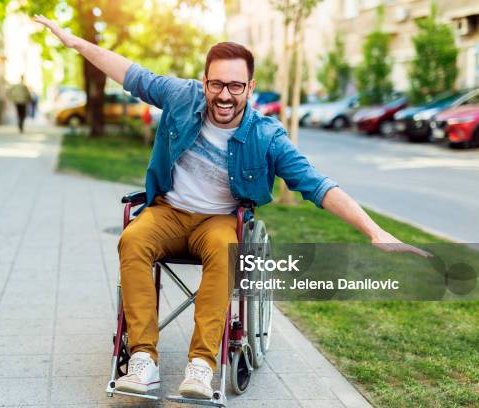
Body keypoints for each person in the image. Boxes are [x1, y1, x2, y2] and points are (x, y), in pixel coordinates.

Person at [34, 15, 427, 400]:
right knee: (133, 238)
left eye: (235, 86)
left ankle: (202, 365)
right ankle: (142, 360)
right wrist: (76, 42)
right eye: (217, 84)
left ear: (250, 87)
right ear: (204, 81)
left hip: (219, 221)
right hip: (168, 211)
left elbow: (317, 185)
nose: (225, 95)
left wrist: (374, 232)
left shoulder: (266, 136)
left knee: (227, 252)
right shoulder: (181, 96)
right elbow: (130, 73)